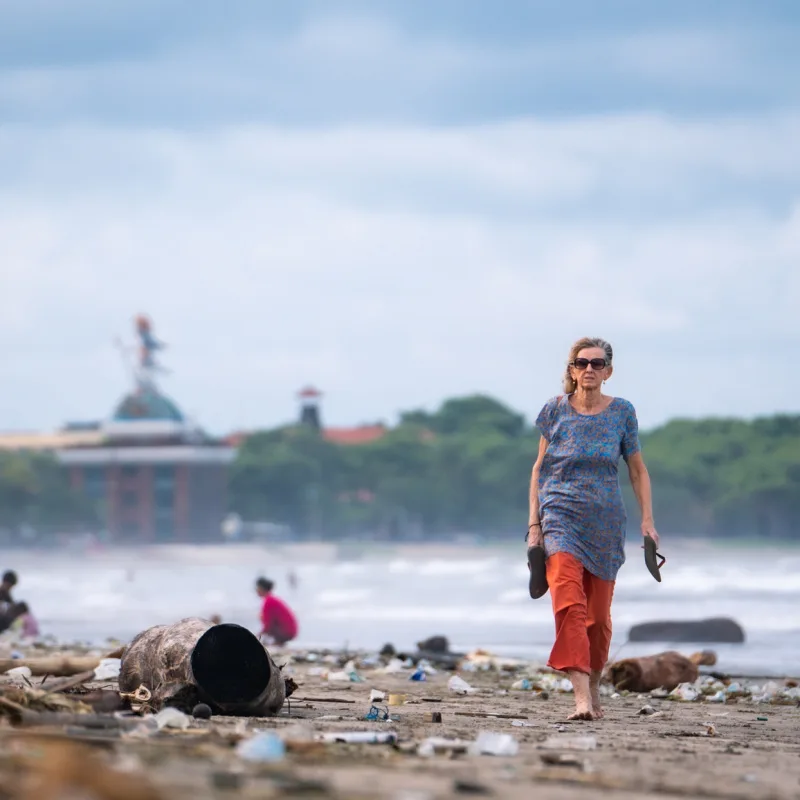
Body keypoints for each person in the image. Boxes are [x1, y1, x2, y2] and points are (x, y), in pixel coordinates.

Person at [527, 336, 659, 721]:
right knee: (569, 603)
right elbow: (538, 469)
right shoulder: (554, 411)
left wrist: (647, 520)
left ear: (608, 372)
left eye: (597, 364)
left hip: (605, 524)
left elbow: (637, 470)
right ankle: (581, 698)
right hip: (560, 518)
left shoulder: (622, 413)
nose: (589, 369)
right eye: (582, 363)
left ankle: (594, 686)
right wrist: (535, 525)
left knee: (597, 618)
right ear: (571, 370)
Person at [255, 577, 298, 646]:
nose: (256, 590)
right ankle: (277, 643)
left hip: (286, 631)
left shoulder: (268, 601)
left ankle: (277, 643)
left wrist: (256, 637)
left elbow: (268, 625)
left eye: (257, 588)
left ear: (262, 588)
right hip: (289, 630)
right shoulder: (271, 599)